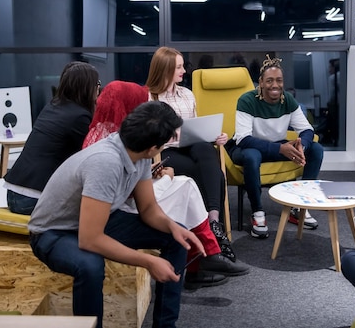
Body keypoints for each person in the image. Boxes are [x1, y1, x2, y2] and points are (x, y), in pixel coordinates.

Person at [28, 101, 205, 328]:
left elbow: (149, 209)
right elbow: (90, 239)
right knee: (90, 265)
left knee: (178, 237)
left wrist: (173, 227)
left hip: (96, 220)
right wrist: (148, 261)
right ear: (153, 148)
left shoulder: (139, 154)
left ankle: (165, 325)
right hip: (52, 232)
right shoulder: (106, 162)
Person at [83, 81, 249, 290]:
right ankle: (207, 253)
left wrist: (151, 174)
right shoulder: (110, 148)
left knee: (188, 182)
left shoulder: (105, 132)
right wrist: (166, 178)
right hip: (119, 211)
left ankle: (208, 253)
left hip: (124, 201)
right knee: (185, 187)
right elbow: (127, 196)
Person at [145, 47, 234, 259]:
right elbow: (147, 136)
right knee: (215, 176)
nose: (184, 70)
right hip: (165, 152)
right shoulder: (150, 97)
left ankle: (212, 222)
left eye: (182, 65)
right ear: (165, 69)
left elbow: (195, 126)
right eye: (178, 67)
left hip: (193, 146)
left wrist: (215, 136)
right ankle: (212, 231)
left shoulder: (187, 94)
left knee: (205, 148)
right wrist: (169, 136)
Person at [226, 55, 324, 238]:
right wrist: (281, 149)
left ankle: (299, 206)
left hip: (276, 146)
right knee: (251, 156)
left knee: (316, 149)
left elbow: (308, 130)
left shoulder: (287, 100)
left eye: (279, 80)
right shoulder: (247, 100)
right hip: (247, 147)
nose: (275, 85)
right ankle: (257, 213)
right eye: (269, 81)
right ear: (261, 83)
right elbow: (243, 139)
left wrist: (302, 144)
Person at [4, 61, 100, 215]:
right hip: (33, 199)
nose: (98, 88)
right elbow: (92, 157)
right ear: (87, 86)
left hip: (13, 193)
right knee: (98, 205)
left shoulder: (53, 106)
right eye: (97, 83)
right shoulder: (79, 116)